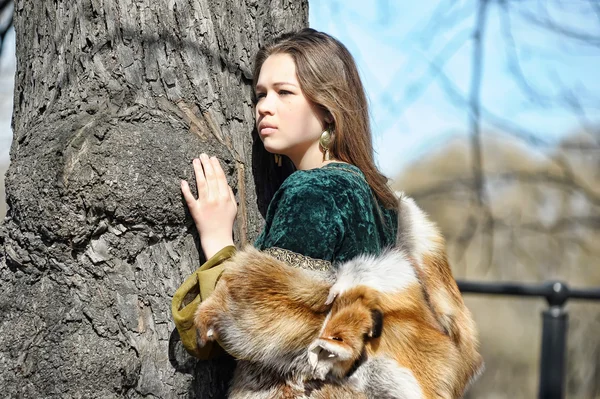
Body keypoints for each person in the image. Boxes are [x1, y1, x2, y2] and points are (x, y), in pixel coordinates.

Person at [180, 28, 398, 268]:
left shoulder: (313, 193)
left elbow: (267, 305)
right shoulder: (382, 204)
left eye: (284, 92)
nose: (264, 107)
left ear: (328, 108)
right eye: (261, 94)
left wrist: (218, 241)